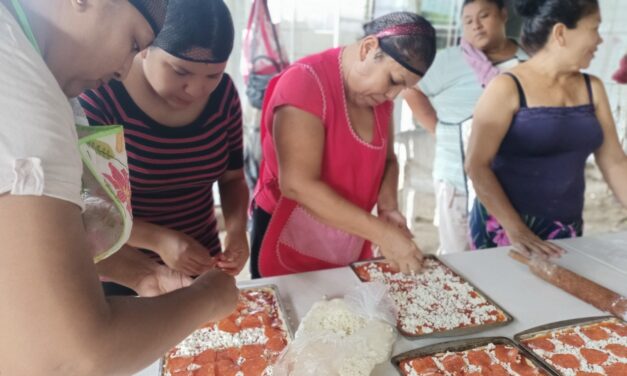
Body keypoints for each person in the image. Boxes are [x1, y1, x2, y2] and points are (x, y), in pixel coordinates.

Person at [0, 0, 238, 374]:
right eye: (133, 42)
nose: (124, 68)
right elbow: (75, 356)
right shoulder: (25, 102)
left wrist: (141, 274)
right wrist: (207, 298)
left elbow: (52, 231)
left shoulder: (40, 72)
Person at [79, 0, 249, 296]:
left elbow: (232, 180)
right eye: (180, 72)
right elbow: (92, 210)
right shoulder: (102, 97)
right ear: (144, 46)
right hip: (125, 272)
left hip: (202, 263)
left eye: (213, 75)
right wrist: (157, 240)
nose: (196, 90)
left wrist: (236, 233)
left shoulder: (224, 96)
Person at [250, 12, 436, 278]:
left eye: (402, 88)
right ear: (369, 48)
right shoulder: (306, 82)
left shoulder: (379, 99)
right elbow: (297, 185)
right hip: (288, 230)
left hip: (348, 230)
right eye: (393, 81)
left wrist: (388, 208)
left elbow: (388, 161)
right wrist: (383, 234)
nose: (392, 96)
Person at [465, 0, 627, 258]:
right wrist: (517, 230)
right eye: (594, 28)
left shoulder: (592, 87)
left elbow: (615, 162)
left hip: (565, 228)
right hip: (504, 229)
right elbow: (476, 166)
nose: (599, 40)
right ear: (561, 33)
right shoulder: (506, 87)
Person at [402, 0, 528, 255]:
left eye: (484, 16)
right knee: (459, 255)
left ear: (503, 15)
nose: (476, 26)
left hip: (515, 179)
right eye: (468, 21)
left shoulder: (528, 62)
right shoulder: (448, 61)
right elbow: (411, 89)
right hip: (457, 178)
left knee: (508, 253)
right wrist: (438, 128)